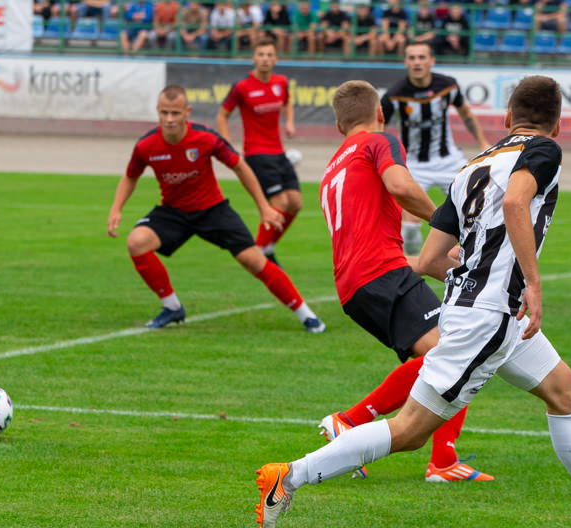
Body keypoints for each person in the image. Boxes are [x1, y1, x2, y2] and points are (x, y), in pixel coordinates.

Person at [255, 77, 571, 528]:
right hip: (489, 316)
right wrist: (529, 281)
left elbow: (429, 259)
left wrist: (474, 276)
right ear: (558, 125)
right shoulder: (545, 150)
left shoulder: (472, 166)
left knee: (565, 391)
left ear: (507, 119)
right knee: (410, 432)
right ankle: (288, 476)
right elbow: (515, 200)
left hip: (487, 313)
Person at [313, 78, 493, 484]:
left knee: (442, 356)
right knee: (456, 352)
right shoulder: (379, 141)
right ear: (379, 114)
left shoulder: (332, 166)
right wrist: (451, 225)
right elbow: (400, 186)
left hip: (353, 285)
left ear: (339, 126)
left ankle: (429, 453)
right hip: (382, 272)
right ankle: (370, 430)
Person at [107, 85, 326, 334]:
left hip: (212, 210)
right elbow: (130, 176)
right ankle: (172, 307)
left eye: (175, 113)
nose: (169, 119)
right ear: (157, 111)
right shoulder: (146, 145)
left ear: (187, 112)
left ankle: (306, 314)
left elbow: (240, 167)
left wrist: (264, 207)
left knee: (254, 260)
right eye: (164, 112)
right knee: (136, 242)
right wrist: (116, 209)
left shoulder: (205, 137)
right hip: (174, 212)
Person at [381, 41, 489, 255]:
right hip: (413, 165)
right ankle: (412, 270)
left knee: (474, 210)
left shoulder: (448, 85)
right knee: (410, 226)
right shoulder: (394, 95)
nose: (417, 62)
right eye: (412, 58)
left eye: (421, 57)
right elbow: (378, 128)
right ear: (405, 62)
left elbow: (466, 114)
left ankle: (475, 259)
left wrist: (482, 142)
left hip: (449, 161)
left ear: (432, 61)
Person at [217, 38, 301, 267]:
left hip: (279, 151)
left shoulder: (281, 82)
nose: (265, 59)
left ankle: (269, 247)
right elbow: (222, 115)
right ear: (253, 58)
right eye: (261, 54)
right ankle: (258, 253)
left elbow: (287, 103)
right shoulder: (242, 86)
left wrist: (290, 123)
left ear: (276, 59)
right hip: (256, 153)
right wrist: (229, 144)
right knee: (280, 202)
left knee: (295, 202)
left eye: (269, 55)